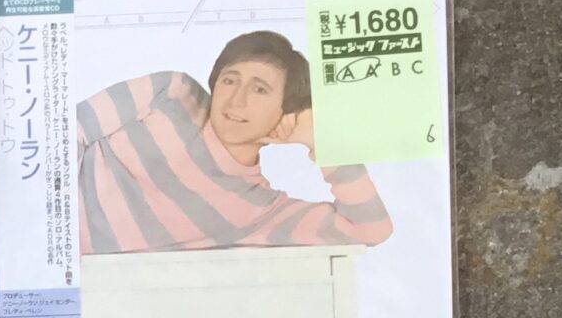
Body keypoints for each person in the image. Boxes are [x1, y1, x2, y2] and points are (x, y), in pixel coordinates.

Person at [77, 30, 395, 255]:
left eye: (259, 89)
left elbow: (371, 229)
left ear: (286, 111)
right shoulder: (173, 93)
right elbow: (67, 132)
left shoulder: (260, 210)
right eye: (230, 80)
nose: (236, 100)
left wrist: (323, 141)